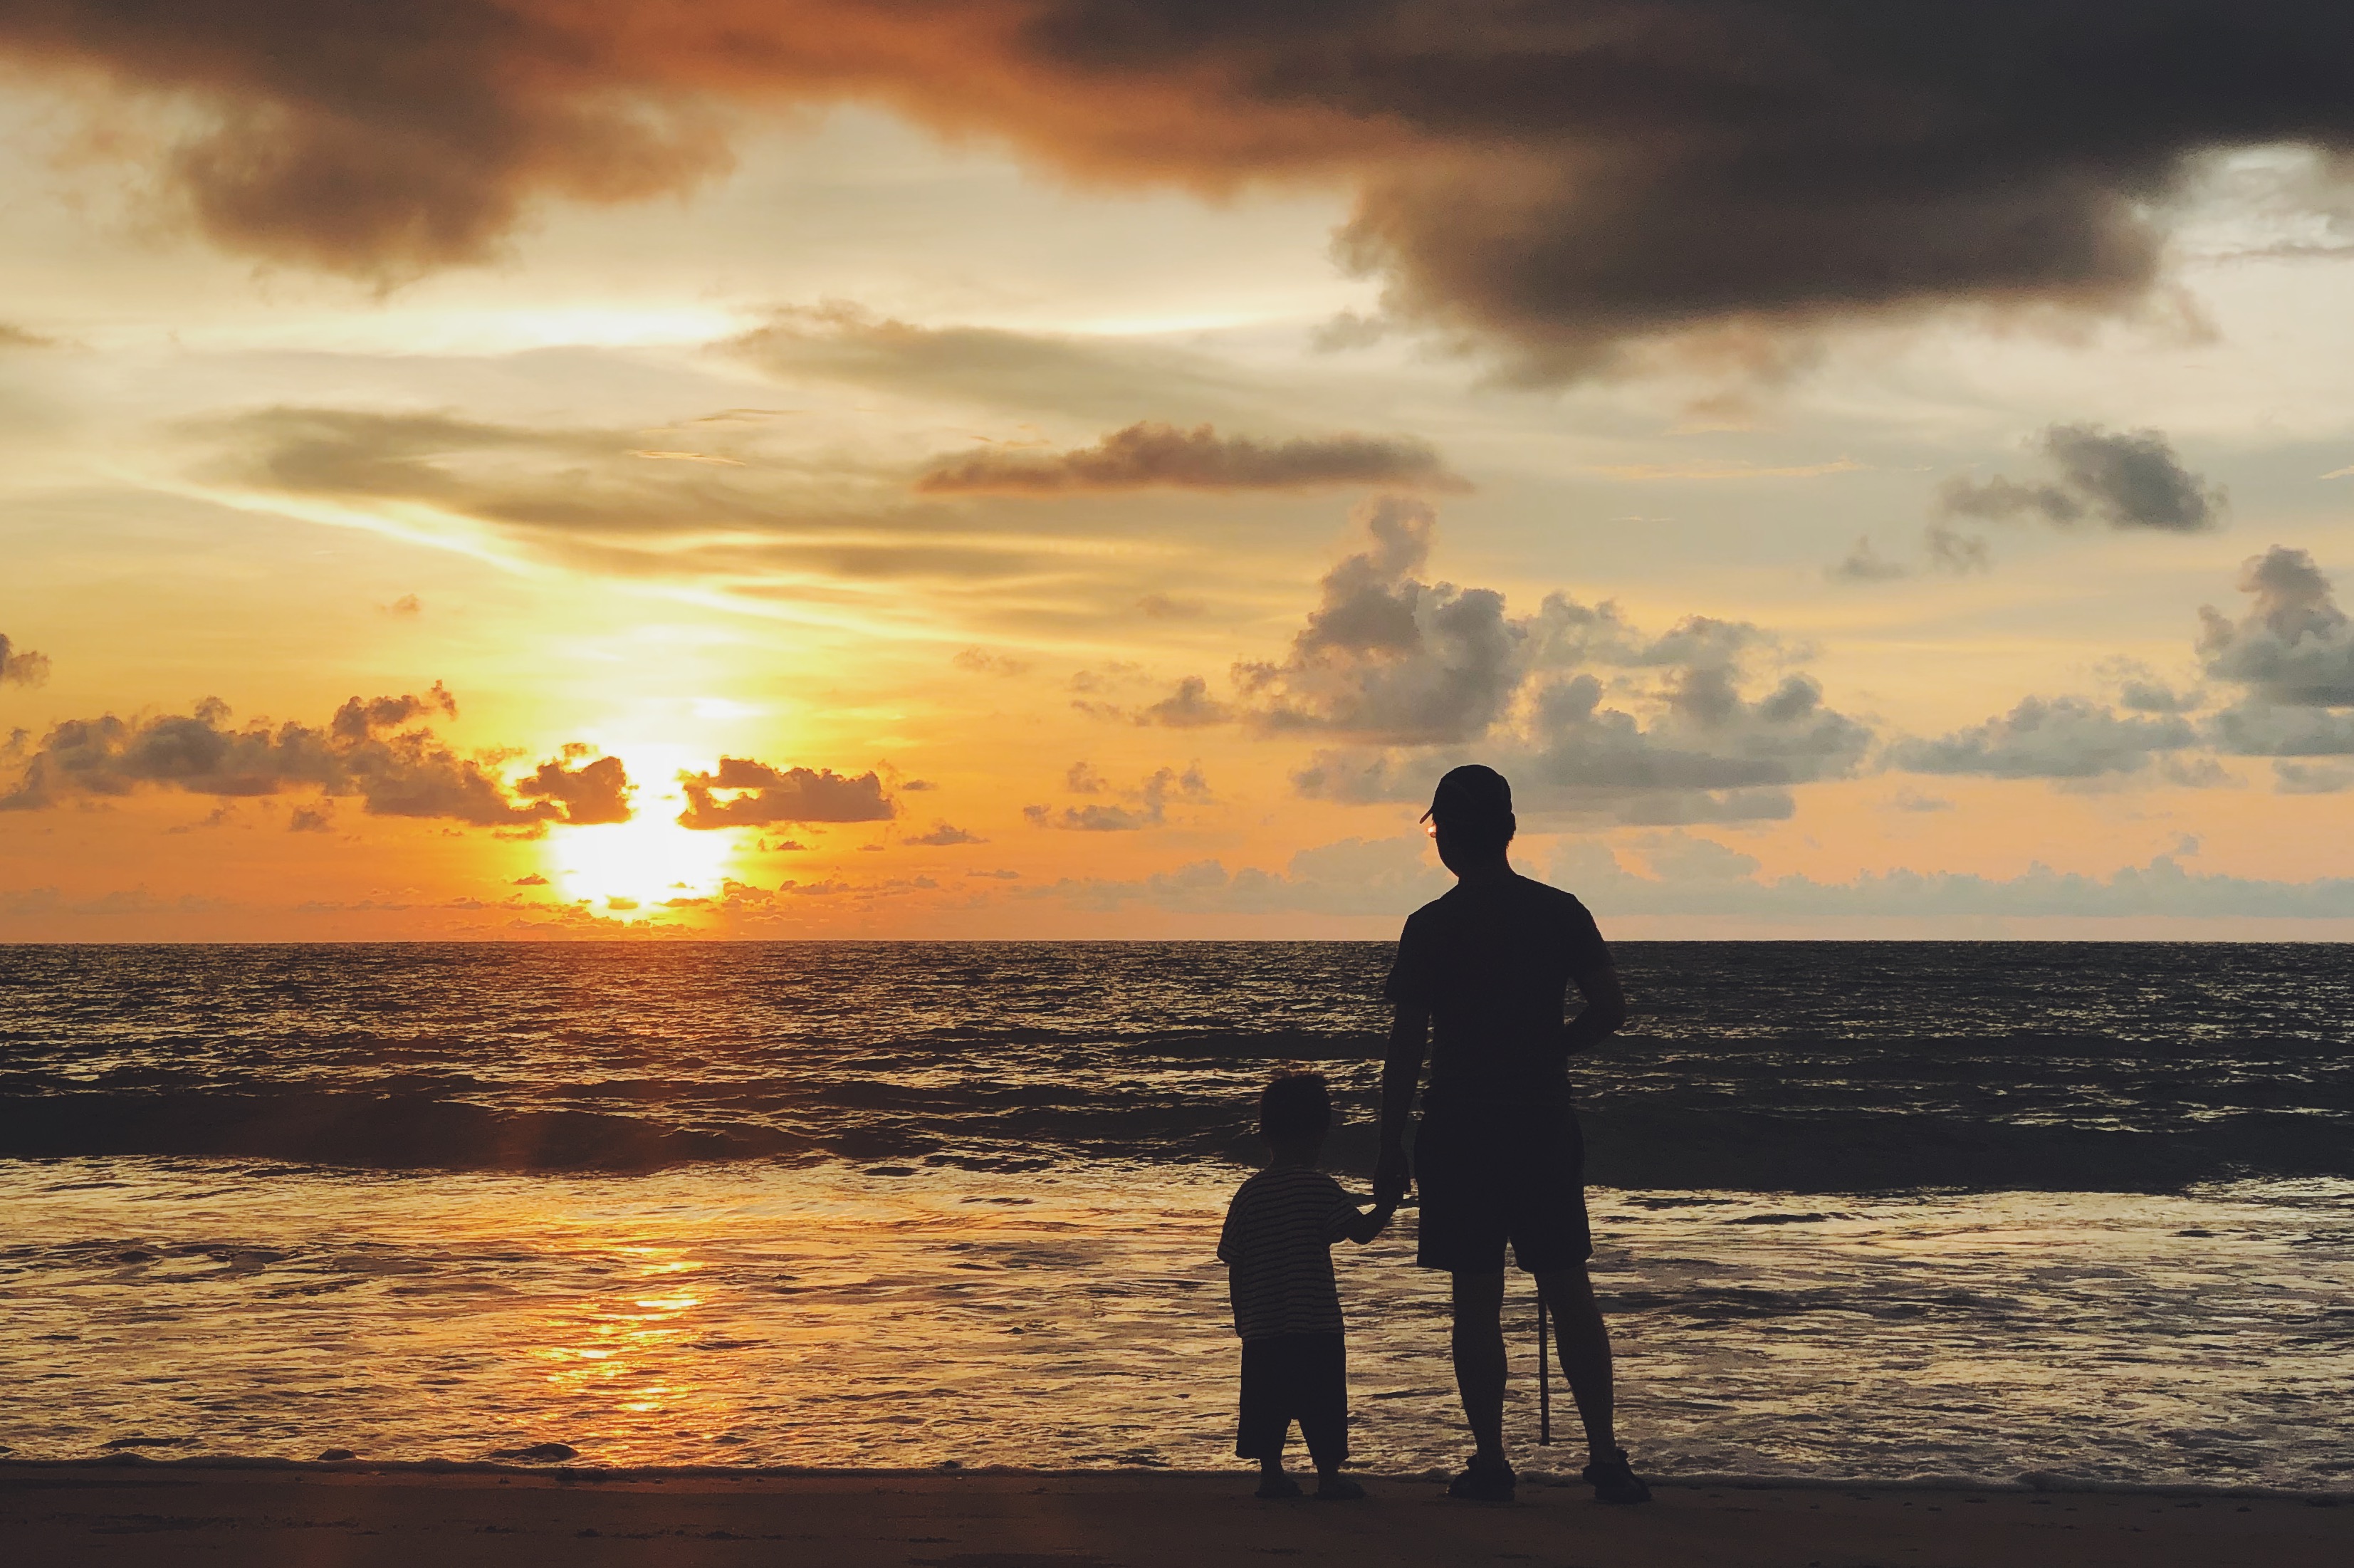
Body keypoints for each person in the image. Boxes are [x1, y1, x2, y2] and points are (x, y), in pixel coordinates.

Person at [1374, 763, 1649, 1505]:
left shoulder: (1432, 925)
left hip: (1458, 1128)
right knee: (1567, 1287)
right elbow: (1610, 1009)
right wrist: (1550, 1050)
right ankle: (1606, 1458)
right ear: (1508, 830)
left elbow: (1407, 1045)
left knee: (1475, 1297)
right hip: (1539, 1122)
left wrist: (1388, 1143)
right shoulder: (1559, 911)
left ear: (1447, 836)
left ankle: (1491, 1460)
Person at [1217, 1071, 1398, 1500]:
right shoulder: (1319, 1186)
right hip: (1316, 1321)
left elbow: (1235, 1260)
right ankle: (1329, 1478)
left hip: (1263, 1324)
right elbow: (1361, 1232)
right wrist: (1388, 1205)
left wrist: (1241, 1313)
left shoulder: (1249, 1193)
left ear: (1266, 1134)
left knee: (1266, 1402)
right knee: (1323, 1401)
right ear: (1319, 1134)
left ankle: (1271, 1475)